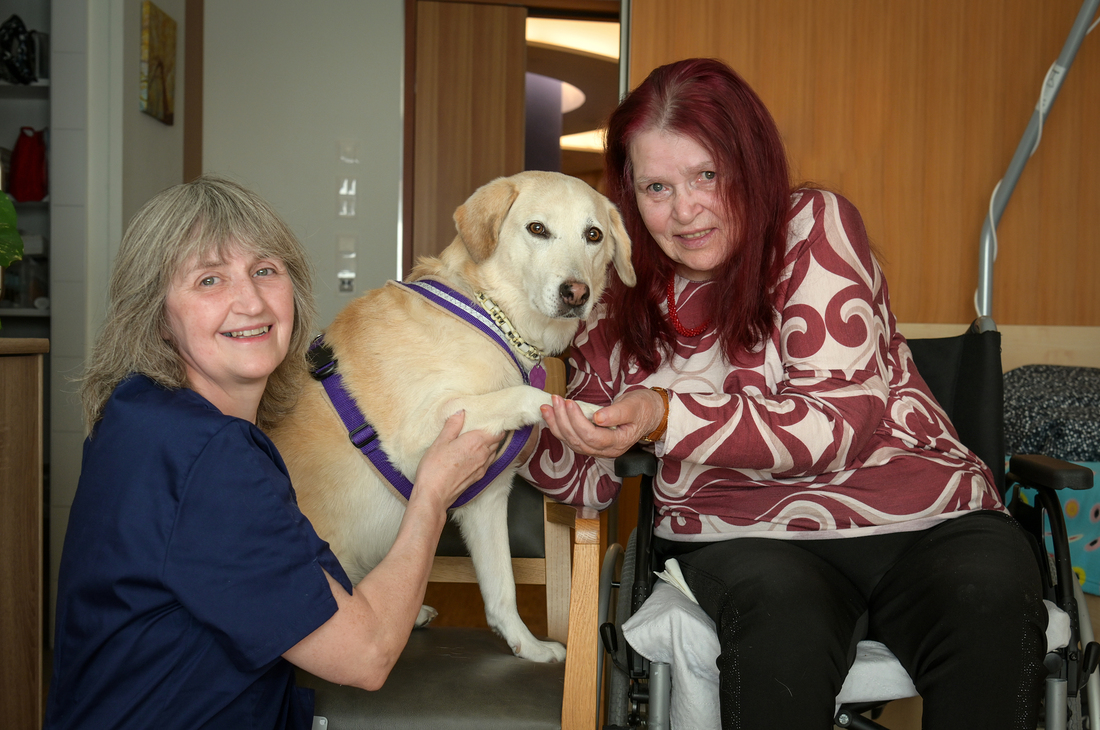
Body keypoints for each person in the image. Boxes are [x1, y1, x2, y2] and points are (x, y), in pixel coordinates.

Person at [521, 58, 1047, 729]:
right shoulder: (610, 296)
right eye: (656, 187)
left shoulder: (812, 227)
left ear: (751, 161)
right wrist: (516, 398)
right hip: (743, 539)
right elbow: (587, 482)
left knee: (990, 593)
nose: (685, 210)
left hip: (928, 519)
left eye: (706, 175)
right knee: (779, 612)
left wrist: (663, 413)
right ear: (627, 196)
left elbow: (836, 428)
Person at [45, 176, 503, 730]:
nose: (251, 301)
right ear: (158, 318)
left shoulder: (137, 414)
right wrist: (431, 495)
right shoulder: (210, 456)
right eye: (209, 280)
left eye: (265, 270)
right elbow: (367, 655)